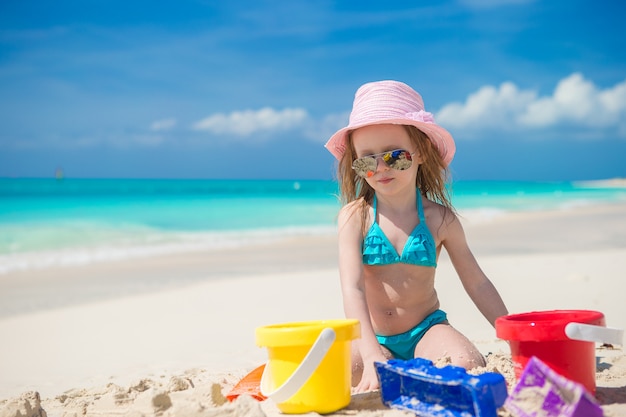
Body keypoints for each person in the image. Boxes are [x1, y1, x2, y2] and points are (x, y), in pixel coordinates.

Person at [324, 80, 508, 393]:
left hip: (426, 330)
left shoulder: (440, 219)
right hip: (373, 335)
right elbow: (352, 289)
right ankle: (394, 369)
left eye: (395, 156)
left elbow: (477, 283)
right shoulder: (356, 218)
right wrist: (369, 355)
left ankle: (408, 375)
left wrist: (513, 338)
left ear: (420, 153)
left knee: (466, 362)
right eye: (367, 160)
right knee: (339, 372)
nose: (380, 168)